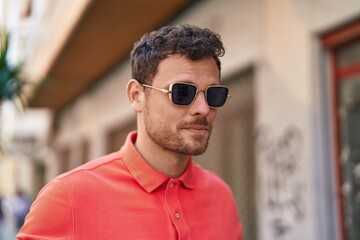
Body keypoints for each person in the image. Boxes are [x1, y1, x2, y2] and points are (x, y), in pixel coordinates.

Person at [17, 24, 243, 239]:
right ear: (136, 95)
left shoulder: (220, 196)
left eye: (214, 94)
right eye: (182, 92)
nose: (203, 109)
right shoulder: (68, 198)